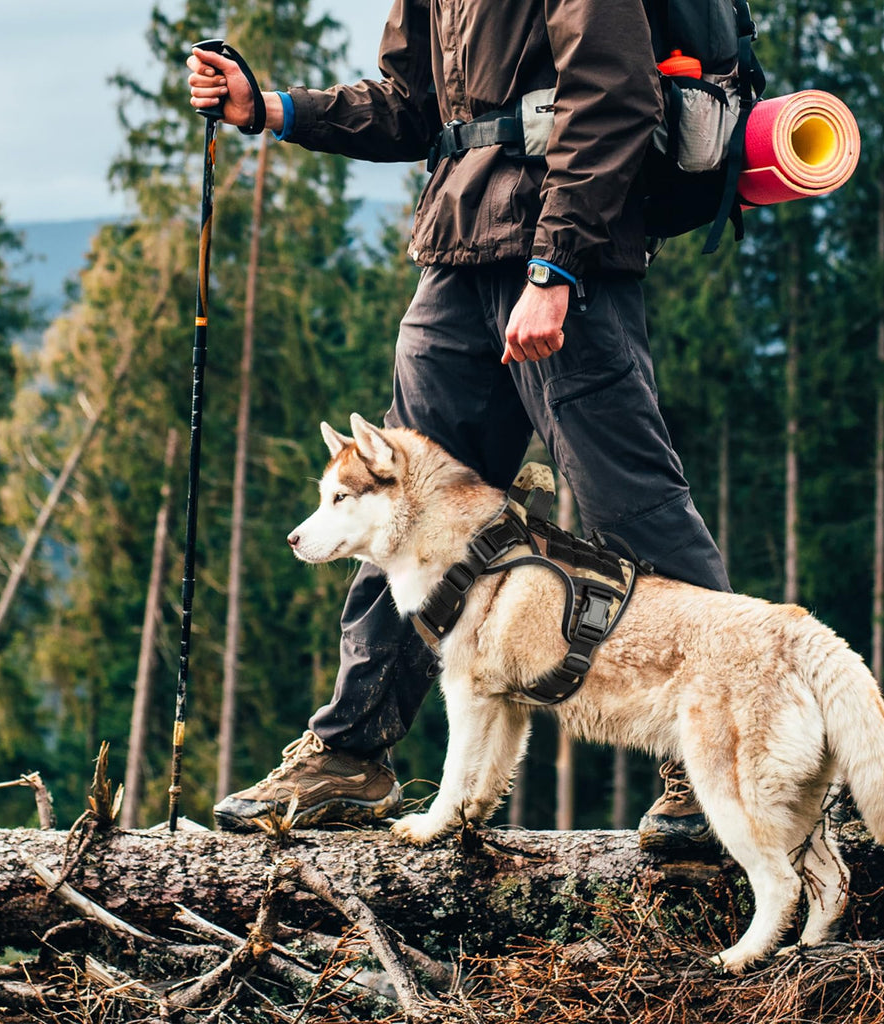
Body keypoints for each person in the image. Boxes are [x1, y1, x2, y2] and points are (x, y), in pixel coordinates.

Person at [186, 0, 731, 849]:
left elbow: (615, 94)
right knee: (397, 509)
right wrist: (276, 108)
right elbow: (411, 105)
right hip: (456, 255)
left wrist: (555, 268)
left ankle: (717, 750)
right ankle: (351, 752)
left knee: (633, 507)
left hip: (565, 262)